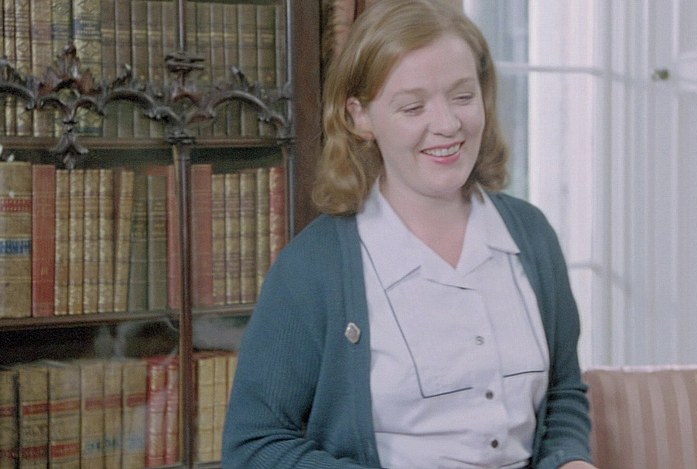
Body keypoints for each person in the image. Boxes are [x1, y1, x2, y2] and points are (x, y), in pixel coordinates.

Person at [222, 0, 597, 467]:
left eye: (463, 96)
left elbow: (563, 392)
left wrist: (569, 460)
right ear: (360, 117)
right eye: (413, 106)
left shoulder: (532, 236)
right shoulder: (312, 269)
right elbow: (254, 445)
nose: (447, 124)